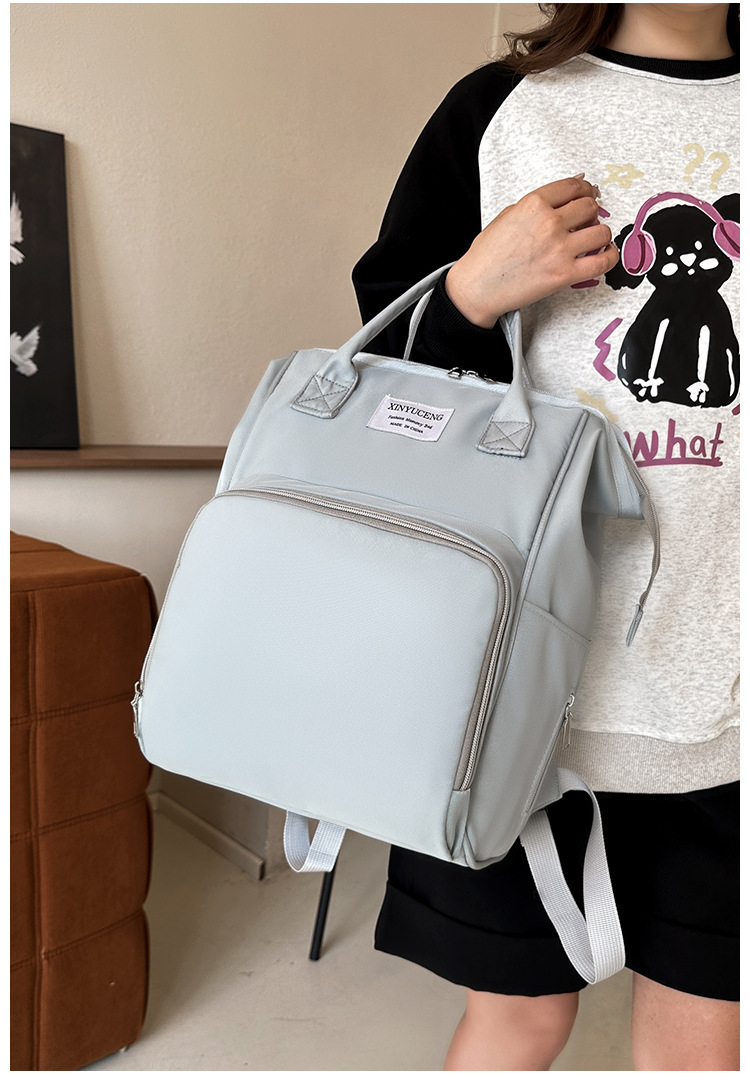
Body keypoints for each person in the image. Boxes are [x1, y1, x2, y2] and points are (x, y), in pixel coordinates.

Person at [352, 4, 739, 1071]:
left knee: (707, 1032)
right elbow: (383, 393)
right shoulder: (499, 111)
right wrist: (472, 292)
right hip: (513, 687)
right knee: (520, 1017)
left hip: (730, 698)